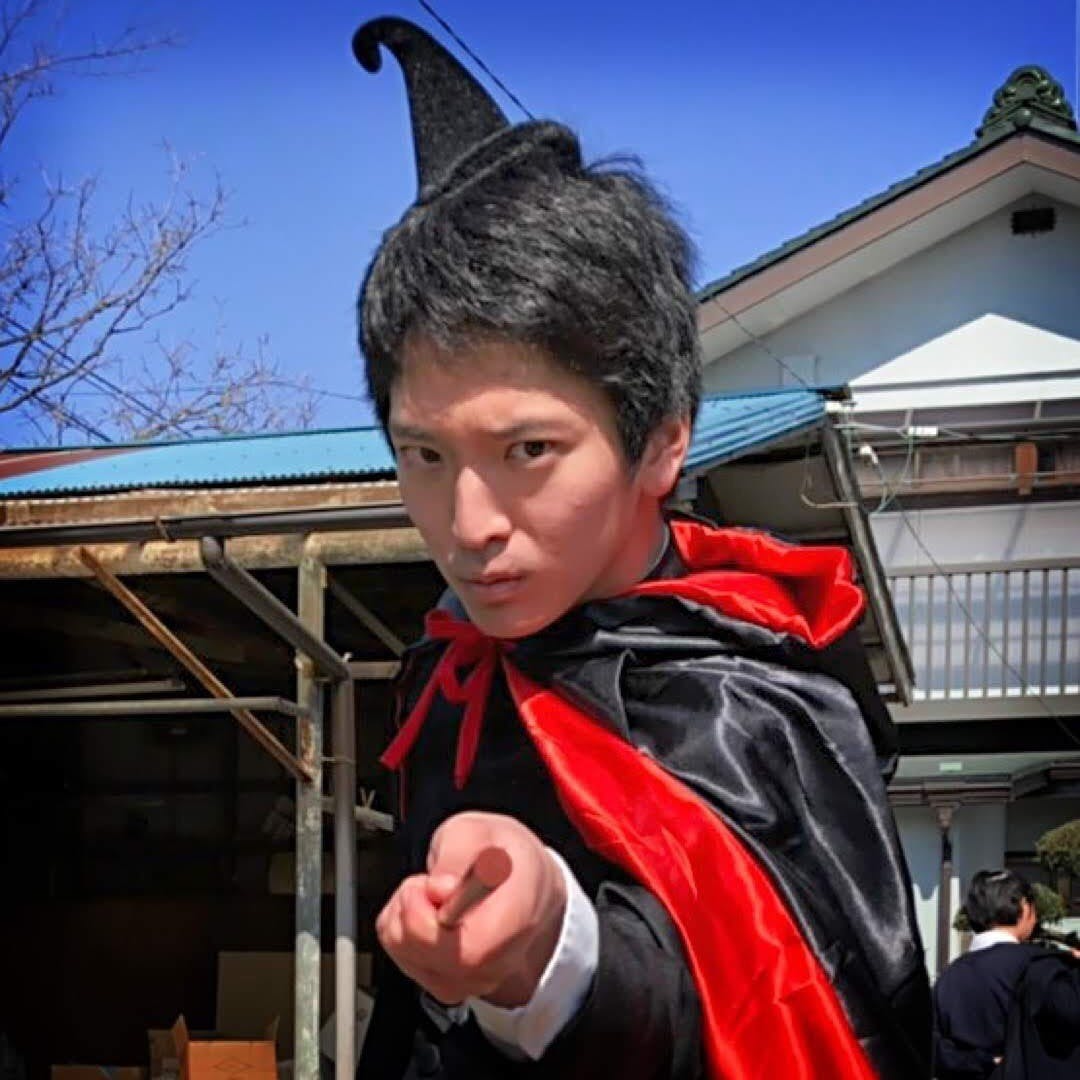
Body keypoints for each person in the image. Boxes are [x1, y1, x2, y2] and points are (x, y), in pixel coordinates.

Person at [350, 15, 931, 1079]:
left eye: (528, 450)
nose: (469, 523)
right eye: (423, 455)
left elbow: (756, 999)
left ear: (662, 441)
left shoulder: (743, 700)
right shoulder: (447, 671)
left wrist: (549, 950)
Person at [934, 869, 1080, 1080]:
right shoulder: (1045, 967)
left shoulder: (948, 977)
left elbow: (933, 1049)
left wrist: (983, 1062)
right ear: (1024, 906)